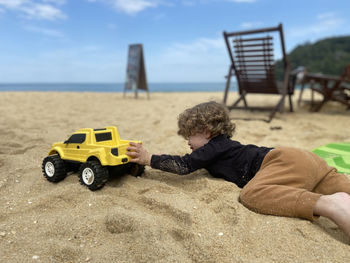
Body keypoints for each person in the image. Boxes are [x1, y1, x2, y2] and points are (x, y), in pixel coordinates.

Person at [126, 101, 350, 237]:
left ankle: (329, 204)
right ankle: (341, 195)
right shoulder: (224, 146)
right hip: (308, 160)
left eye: (189, 136)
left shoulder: (213, 147)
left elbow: (184, 165)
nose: (188, 142)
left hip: (278, 161)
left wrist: (149, 158)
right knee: (339, 183)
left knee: (251, 194)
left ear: (205, 131)